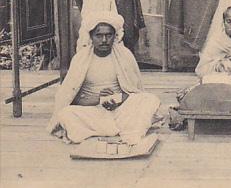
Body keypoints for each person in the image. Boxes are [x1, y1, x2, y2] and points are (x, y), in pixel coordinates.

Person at [46, 12, 160, 145]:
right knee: (66, 114)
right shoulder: (80, 59)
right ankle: (123, 130)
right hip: (94, 112)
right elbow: (70, 97)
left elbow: (135, 90)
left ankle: (109, 131)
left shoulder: (125, 55)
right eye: (99, 35)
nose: (104, 40)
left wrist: (119, 99)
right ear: (91, 37)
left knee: (149, 99)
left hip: (120, 110)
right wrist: (98, 100)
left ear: (115, 36)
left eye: (108, 35)